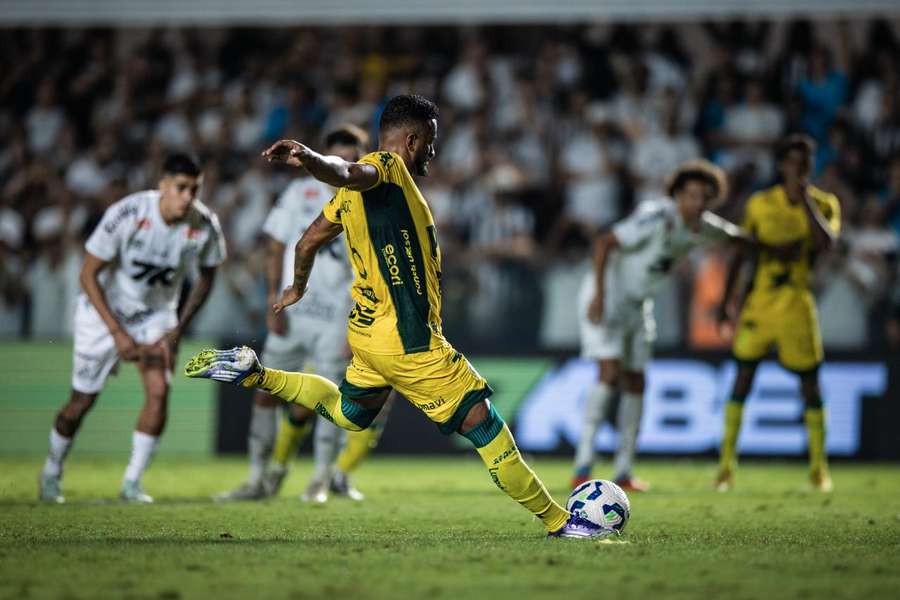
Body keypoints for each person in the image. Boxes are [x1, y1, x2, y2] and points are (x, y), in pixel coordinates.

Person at [186, 94, 606, 538]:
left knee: (350, 414)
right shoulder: (386, 169)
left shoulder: (350, 200)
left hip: (368, 335)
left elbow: (307, 240)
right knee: (482, 421)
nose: (433, 150)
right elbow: (346, 170)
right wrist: (310, 157)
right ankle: (563, 522)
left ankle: (257, 374)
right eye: (431, 140)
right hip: (408, 338)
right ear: (412, 139)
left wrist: (298, 286)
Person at [215, 124, 390, 503]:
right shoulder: (298, 193)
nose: (341, 164)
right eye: (336, 157)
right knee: (264, 391)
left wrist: (358, 326)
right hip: (293, 311)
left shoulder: (370, 199)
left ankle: (320, 481)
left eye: (349, 158)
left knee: (331, 399)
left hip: (337, 317)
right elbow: (276, 246)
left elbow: (376, 271)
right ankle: (259, 478)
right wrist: (271, 300)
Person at [39, 154, 225, 503]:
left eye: (195, 189)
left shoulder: (204, 225)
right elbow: (87, 274)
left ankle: (132, 483)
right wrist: (117, 333)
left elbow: (208, 275)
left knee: (159, 391)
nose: (188, 197)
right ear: (163, 186)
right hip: (105, 314)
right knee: (81, 402)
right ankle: (52, 470)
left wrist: (179, 327)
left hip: (157, 316)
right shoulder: (127, 214)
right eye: (182, 188)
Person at [572, 160, 744, 492]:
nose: (696, 203)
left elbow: (741, 241)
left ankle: (623, 470)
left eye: (703, 197)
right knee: (609, 372)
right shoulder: (656, 215)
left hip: (639, 306)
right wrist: (599, 297)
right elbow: (605, 242)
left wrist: (726, 301)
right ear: (677, 195)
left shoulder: (705, 225)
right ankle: (582, 465)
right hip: (608, 295)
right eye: (690, 195)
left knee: (636, 381)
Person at [715, 134, 841, 492]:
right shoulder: (760, 204)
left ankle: (819, 469)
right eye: (791, 162)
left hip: (797, 303)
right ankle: (726, 467)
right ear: (782, 164)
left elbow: (826, 244)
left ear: (809, 167)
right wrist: (727, 301)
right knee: (742, 379)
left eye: (804, 163)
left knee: (810, 384)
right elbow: (741, 252)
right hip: (760, 303)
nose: (797, 168)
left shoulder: (823, 203)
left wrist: (804, 201)